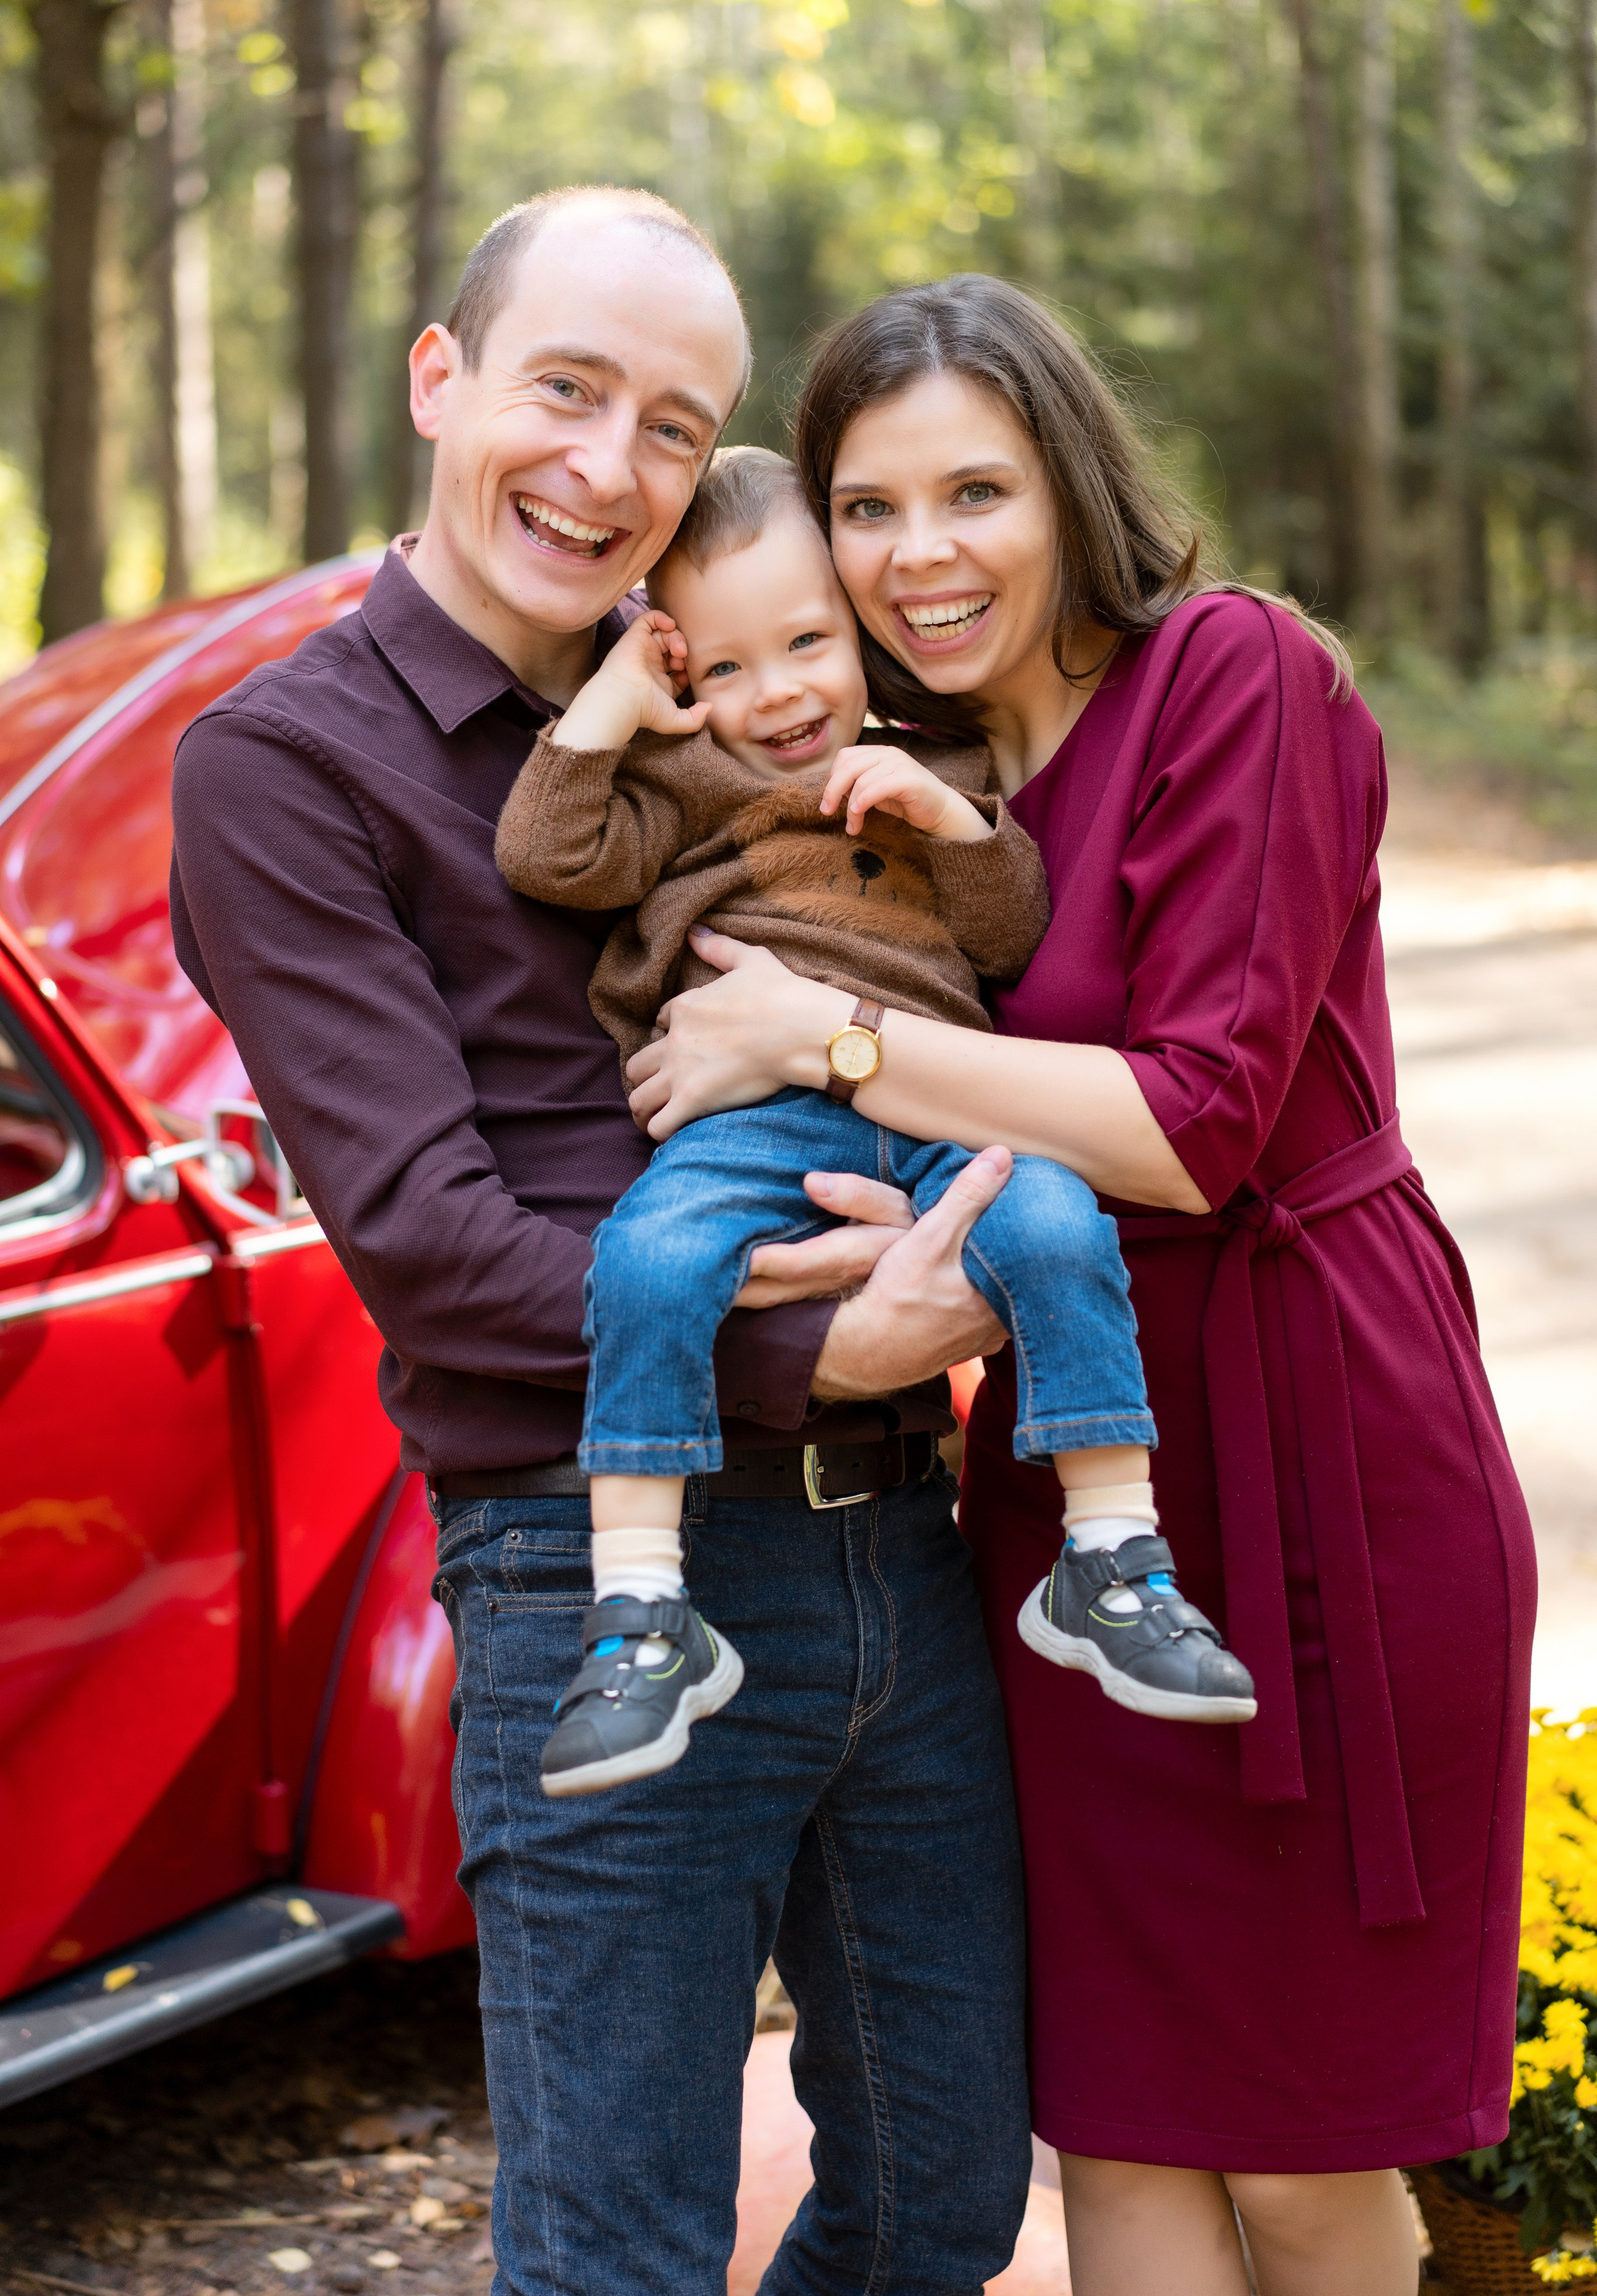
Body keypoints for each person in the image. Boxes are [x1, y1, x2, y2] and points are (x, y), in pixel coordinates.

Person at [623, 274, 1537, 2296]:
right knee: (1117, 2131)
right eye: (869, 509)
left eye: (976, 492)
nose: (920, 556)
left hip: (1321, 1469)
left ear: (1071, 481)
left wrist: (822, 1044)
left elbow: (1199, 1116)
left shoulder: (1239, 677)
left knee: (1299, 2155)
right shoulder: (897, 779)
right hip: (1069, 1488)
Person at [168, 198, 1036, 2296]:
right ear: (438, 379)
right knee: (621, 2253)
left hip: (899, 1546)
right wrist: (811, 1352)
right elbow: (435, 1244)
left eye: (673, 423)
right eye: (565, 387)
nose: (608, 464)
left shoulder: (759, 717)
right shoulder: (289, 768)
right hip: (596, 1561)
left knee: (946, 2206)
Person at [493, 442, 1256, 1795]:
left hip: (929, 1103)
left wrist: (955, 830)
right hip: (749, 1127)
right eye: (724, 668)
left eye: (805, 643)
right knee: (649, 1262)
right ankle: (640, 1612)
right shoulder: (679, 784)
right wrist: (612, 707)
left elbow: (1012, 932)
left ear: (854, 630)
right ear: (679, 673)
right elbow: (549, 856)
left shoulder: (927, 769)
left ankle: (1110, 1555)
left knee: (1056, 1222)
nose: (776, 693)